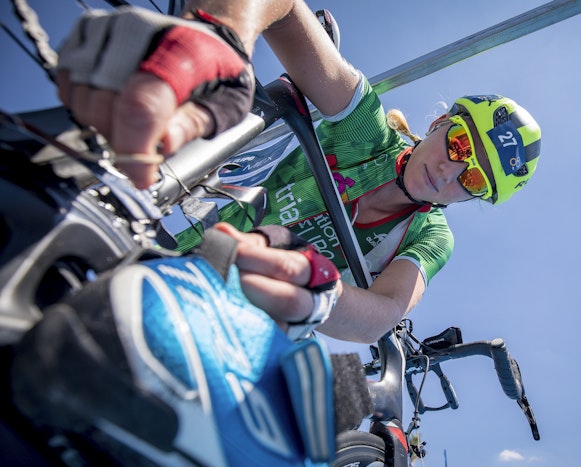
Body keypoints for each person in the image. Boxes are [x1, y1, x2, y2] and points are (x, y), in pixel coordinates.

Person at [55, 0, 542, 344]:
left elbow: (384, 313)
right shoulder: (366, 131)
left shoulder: (431, 236)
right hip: (166, 226)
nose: (451, 172)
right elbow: (284, 7)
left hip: (229, 320)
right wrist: (212, 42)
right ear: (439, 123)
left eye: (473, 181)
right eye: (459, 144)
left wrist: (320, 296)